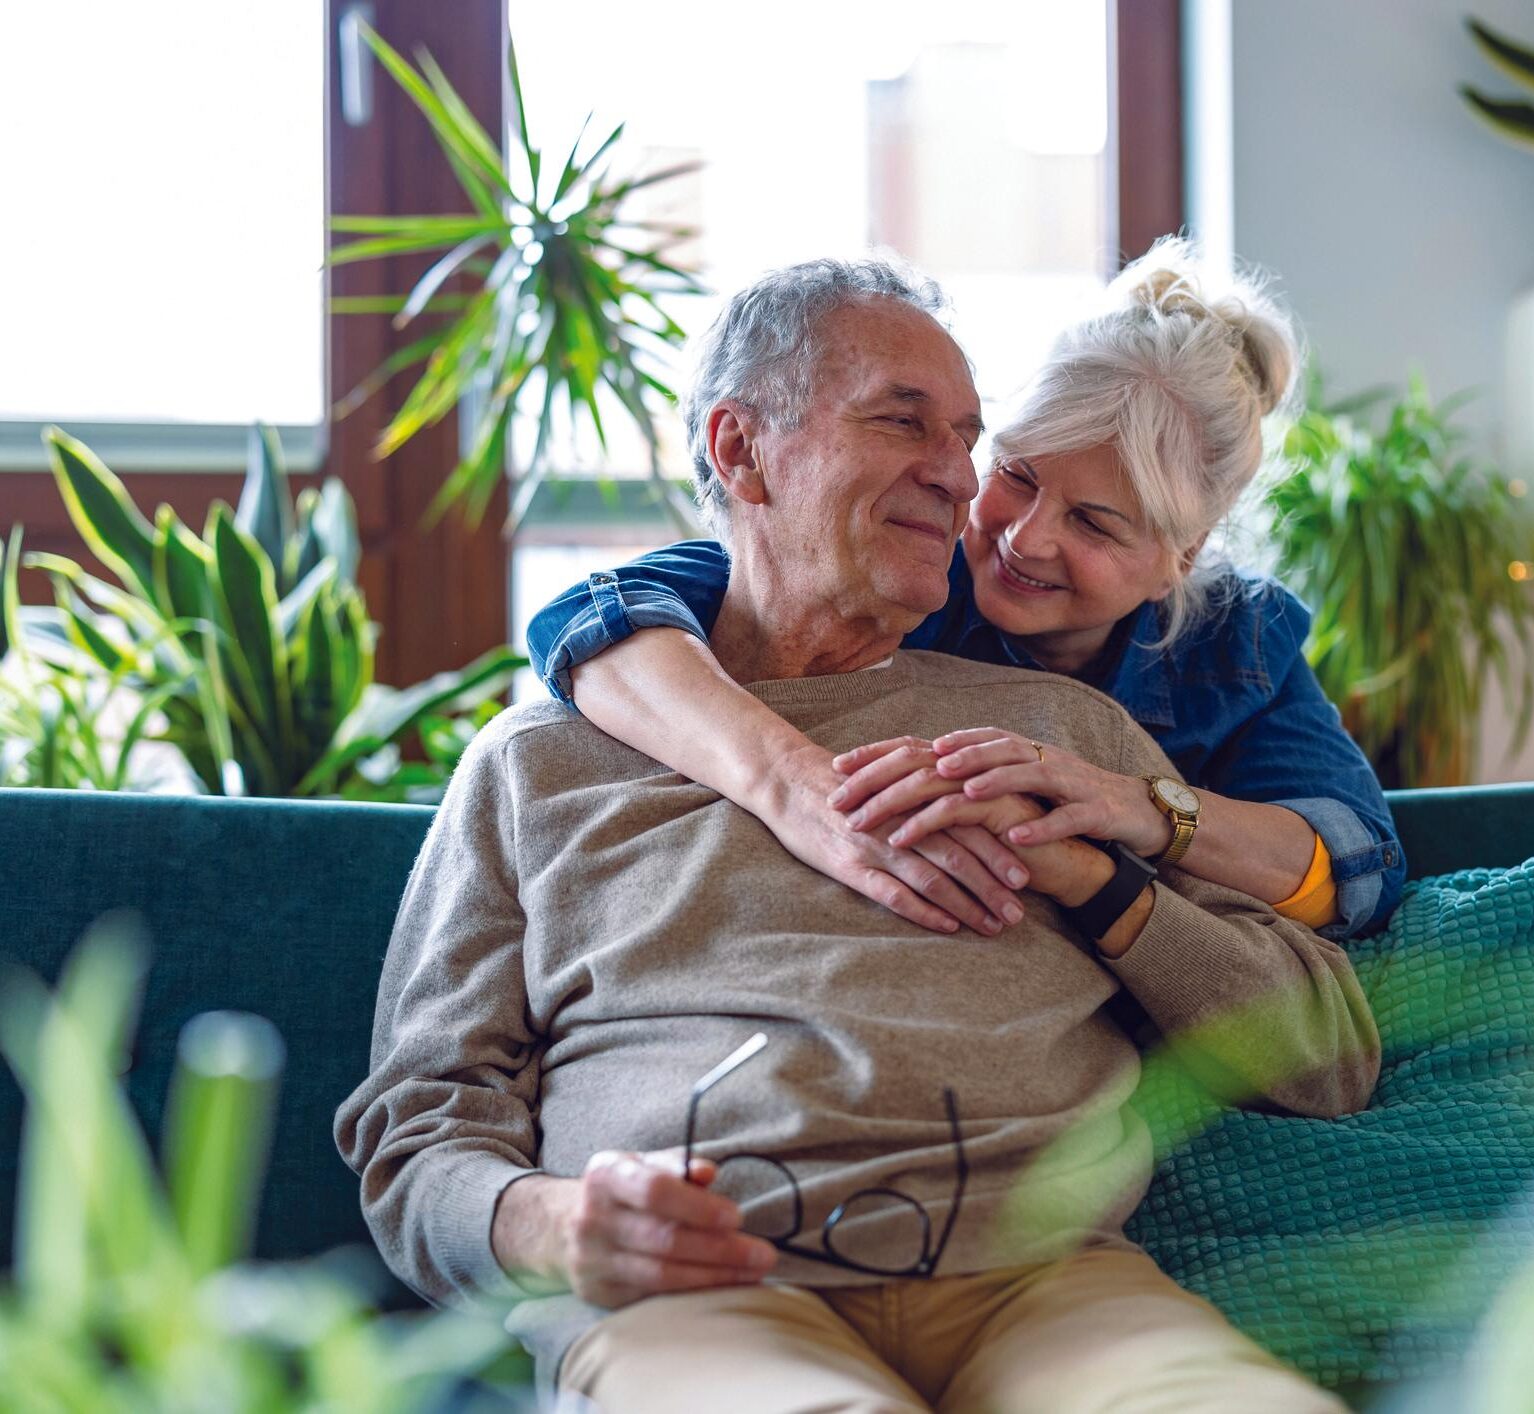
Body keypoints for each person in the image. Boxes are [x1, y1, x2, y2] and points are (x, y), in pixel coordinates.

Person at [336, 257, 1377, 1412]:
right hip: (701, 1297)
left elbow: (1328, 1043)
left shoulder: (1063, 737)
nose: (961, 480)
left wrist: (1101, 881)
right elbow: (416, 1131)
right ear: (740, 452)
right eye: (904, 423)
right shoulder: (543, 759)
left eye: (967, 434)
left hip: (1048, 1286)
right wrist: (556, 1223)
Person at [525, 238, 1405, 956]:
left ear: (1182, 555)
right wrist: (792, 785)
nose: (1025, 537)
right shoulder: (907, 573)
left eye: (1095, 524)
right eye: (1016, 477)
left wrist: (1136, 805)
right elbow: (595, 621)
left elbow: (1355, 868)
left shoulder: (1237, 644)